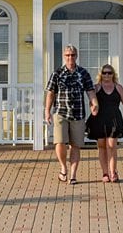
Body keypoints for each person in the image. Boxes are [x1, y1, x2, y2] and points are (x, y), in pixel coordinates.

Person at [44, 44, 98, 185]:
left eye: (72, 55)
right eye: (67, 55)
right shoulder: (57, 73)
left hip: (78, 114)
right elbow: (50, 93)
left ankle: (73, 175)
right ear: (64, 56)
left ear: (76, 56)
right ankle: (63, 168)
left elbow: (90, 91)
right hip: (61, 112)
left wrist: (94, 104)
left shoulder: (83, 73)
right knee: (60, 142)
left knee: (75, 145)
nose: (70, 58)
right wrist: (47, 111)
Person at [87, 63, 123, 183]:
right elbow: (91, 102)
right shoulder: (96, 87)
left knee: (112, 145)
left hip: (114, 119)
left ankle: (113, 172)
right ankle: (105, 173)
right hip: (99, 119)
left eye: (109, 73)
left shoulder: (118, 87)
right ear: (101, 75)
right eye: (104, 73)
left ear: (113, 75)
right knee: (101, 146)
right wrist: (93, 108)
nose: (107, 75)